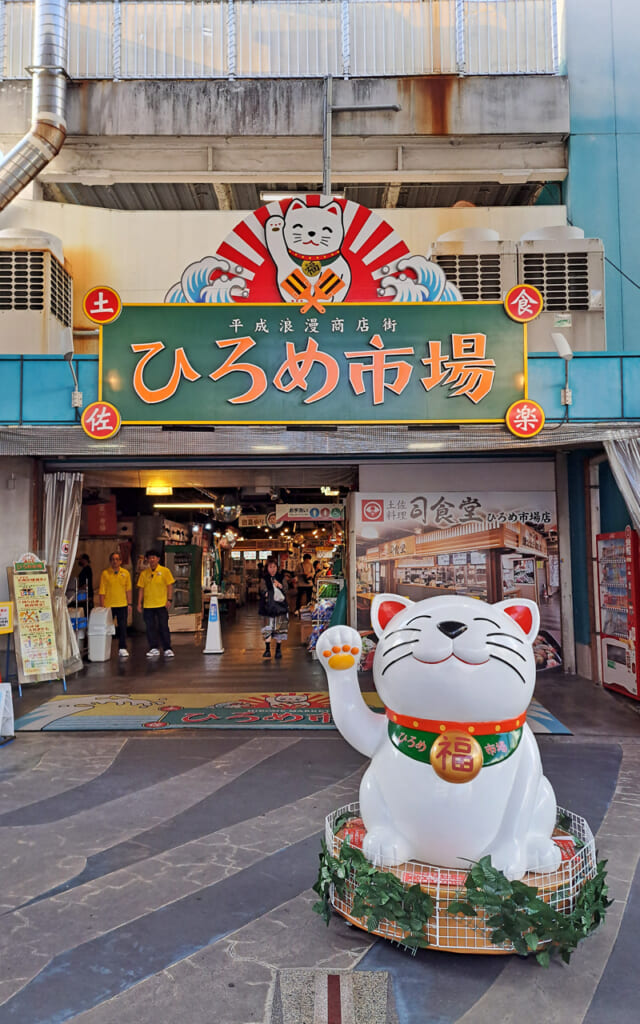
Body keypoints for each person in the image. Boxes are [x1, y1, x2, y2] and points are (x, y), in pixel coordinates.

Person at [136, 549, 175, 659]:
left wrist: (169, 599)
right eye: (150, 558)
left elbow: (169, 586)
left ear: (158, 559)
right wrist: (139, 603)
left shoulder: (165, 571)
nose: (152, 559)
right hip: (148, 605)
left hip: (161, 604)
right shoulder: (144, 574)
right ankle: (154, 647)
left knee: (163, 626)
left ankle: (167, 648)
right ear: (147, 560)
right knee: (150, 627)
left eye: (154, 557)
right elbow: (141, 589)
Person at [98, 551, 132, 658]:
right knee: (106, 627)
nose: (115, 561)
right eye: (113, 559)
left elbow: (128, 590)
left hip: (122, 604)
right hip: (108, 606)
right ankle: (104, 647)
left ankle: (122, 648)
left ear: (121, 561)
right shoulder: (105, 573)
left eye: (117, 559)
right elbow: (102, 591)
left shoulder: (125, 573)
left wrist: (129, 604)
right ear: (110, 561)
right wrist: (102, 606)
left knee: (122, 627)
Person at [258, 558, 288, 659]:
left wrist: (279, 585)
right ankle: (267, 650)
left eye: (274, 567)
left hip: (280, 608)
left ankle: (278, 650)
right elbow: (262, 590)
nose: (272, 569)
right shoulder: (264, 578)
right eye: (270, 567)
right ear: (267, 568)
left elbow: (286, 589)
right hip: (267, 607)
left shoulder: (281, 577)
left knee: (280, 628)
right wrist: (267, 593)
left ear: (277, 567)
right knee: (267, 627)